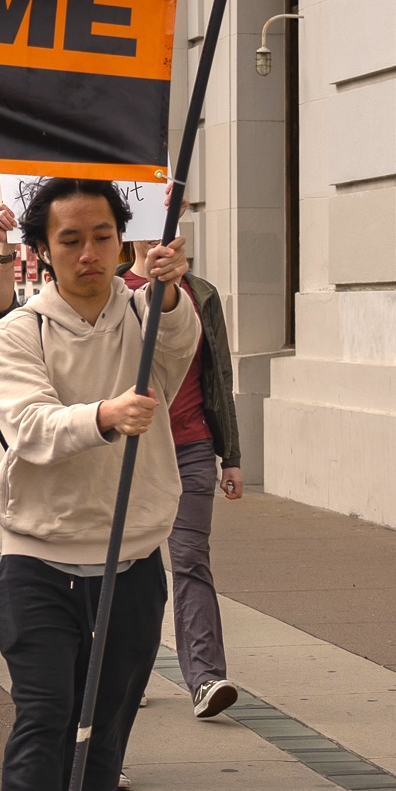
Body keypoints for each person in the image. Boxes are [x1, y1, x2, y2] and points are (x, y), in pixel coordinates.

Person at [0, 178, 198, 791]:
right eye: (70, 239)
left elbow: (178, 349)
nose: (88, 253)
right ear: (43, 250)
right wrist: (104, 417)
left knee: (105, 726)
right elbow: (31, 426)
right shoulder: (18, 334)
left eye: (103, 236)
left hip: (130, 563)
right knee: (45, 720)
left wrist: (168, 289)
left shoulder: (147, 315)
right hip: (39, 563)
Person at [161, 270, 244, 719]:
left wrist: (229, 454)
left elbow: (218, 376)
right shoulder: (111, 288)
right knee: (125, 568)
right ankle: (122, 669)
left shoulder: (202, 293)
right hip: (126, 451)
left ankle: (206, 677)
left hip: (191, 446)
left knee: (191, 560)